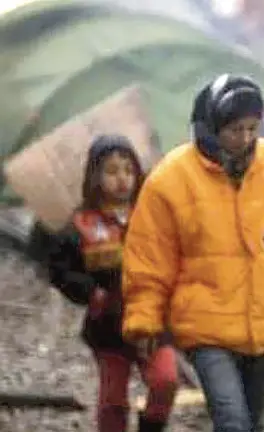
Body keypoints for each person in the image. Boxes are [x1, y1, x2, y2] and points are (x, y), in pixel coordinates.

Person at [120, 74, 264, 432]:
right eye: (235, 129)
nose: (245, 139)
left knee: (250, 422)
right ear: (209, 126)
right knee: (232, 420)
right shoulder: (171, 179)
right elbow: (150, 256)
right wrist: (144, 319)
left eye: (253, 128)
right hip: (207, 328)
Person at [34, 135, 177, 432]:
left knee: (165, 380)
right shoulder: (82, 224)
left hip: (152, 322)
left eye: (128, 170)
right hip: (109, 326)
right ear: (94, 177)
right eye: (112, 171)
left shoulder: (151, 214)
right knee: (113, 399)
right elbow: (59, 268)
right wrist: (91, 293)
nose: (122, 179)